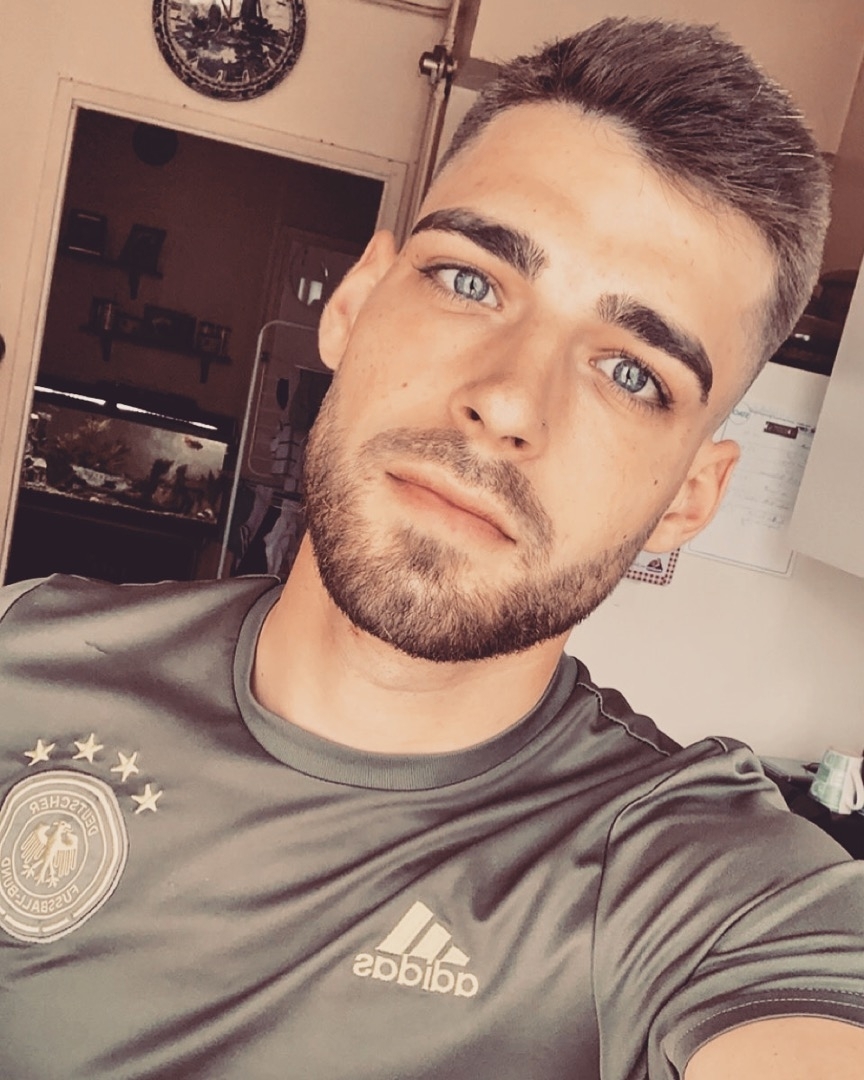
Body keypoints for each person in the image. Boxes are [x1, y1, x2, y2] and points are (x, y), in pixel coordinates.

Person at [1, 16, 862, 1080]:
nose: (508, 402)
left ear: (690, 497)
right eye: (471, 281)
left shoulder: (694, 891)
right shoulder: (23, 654)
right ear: (354, 305)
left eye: (633, 373)